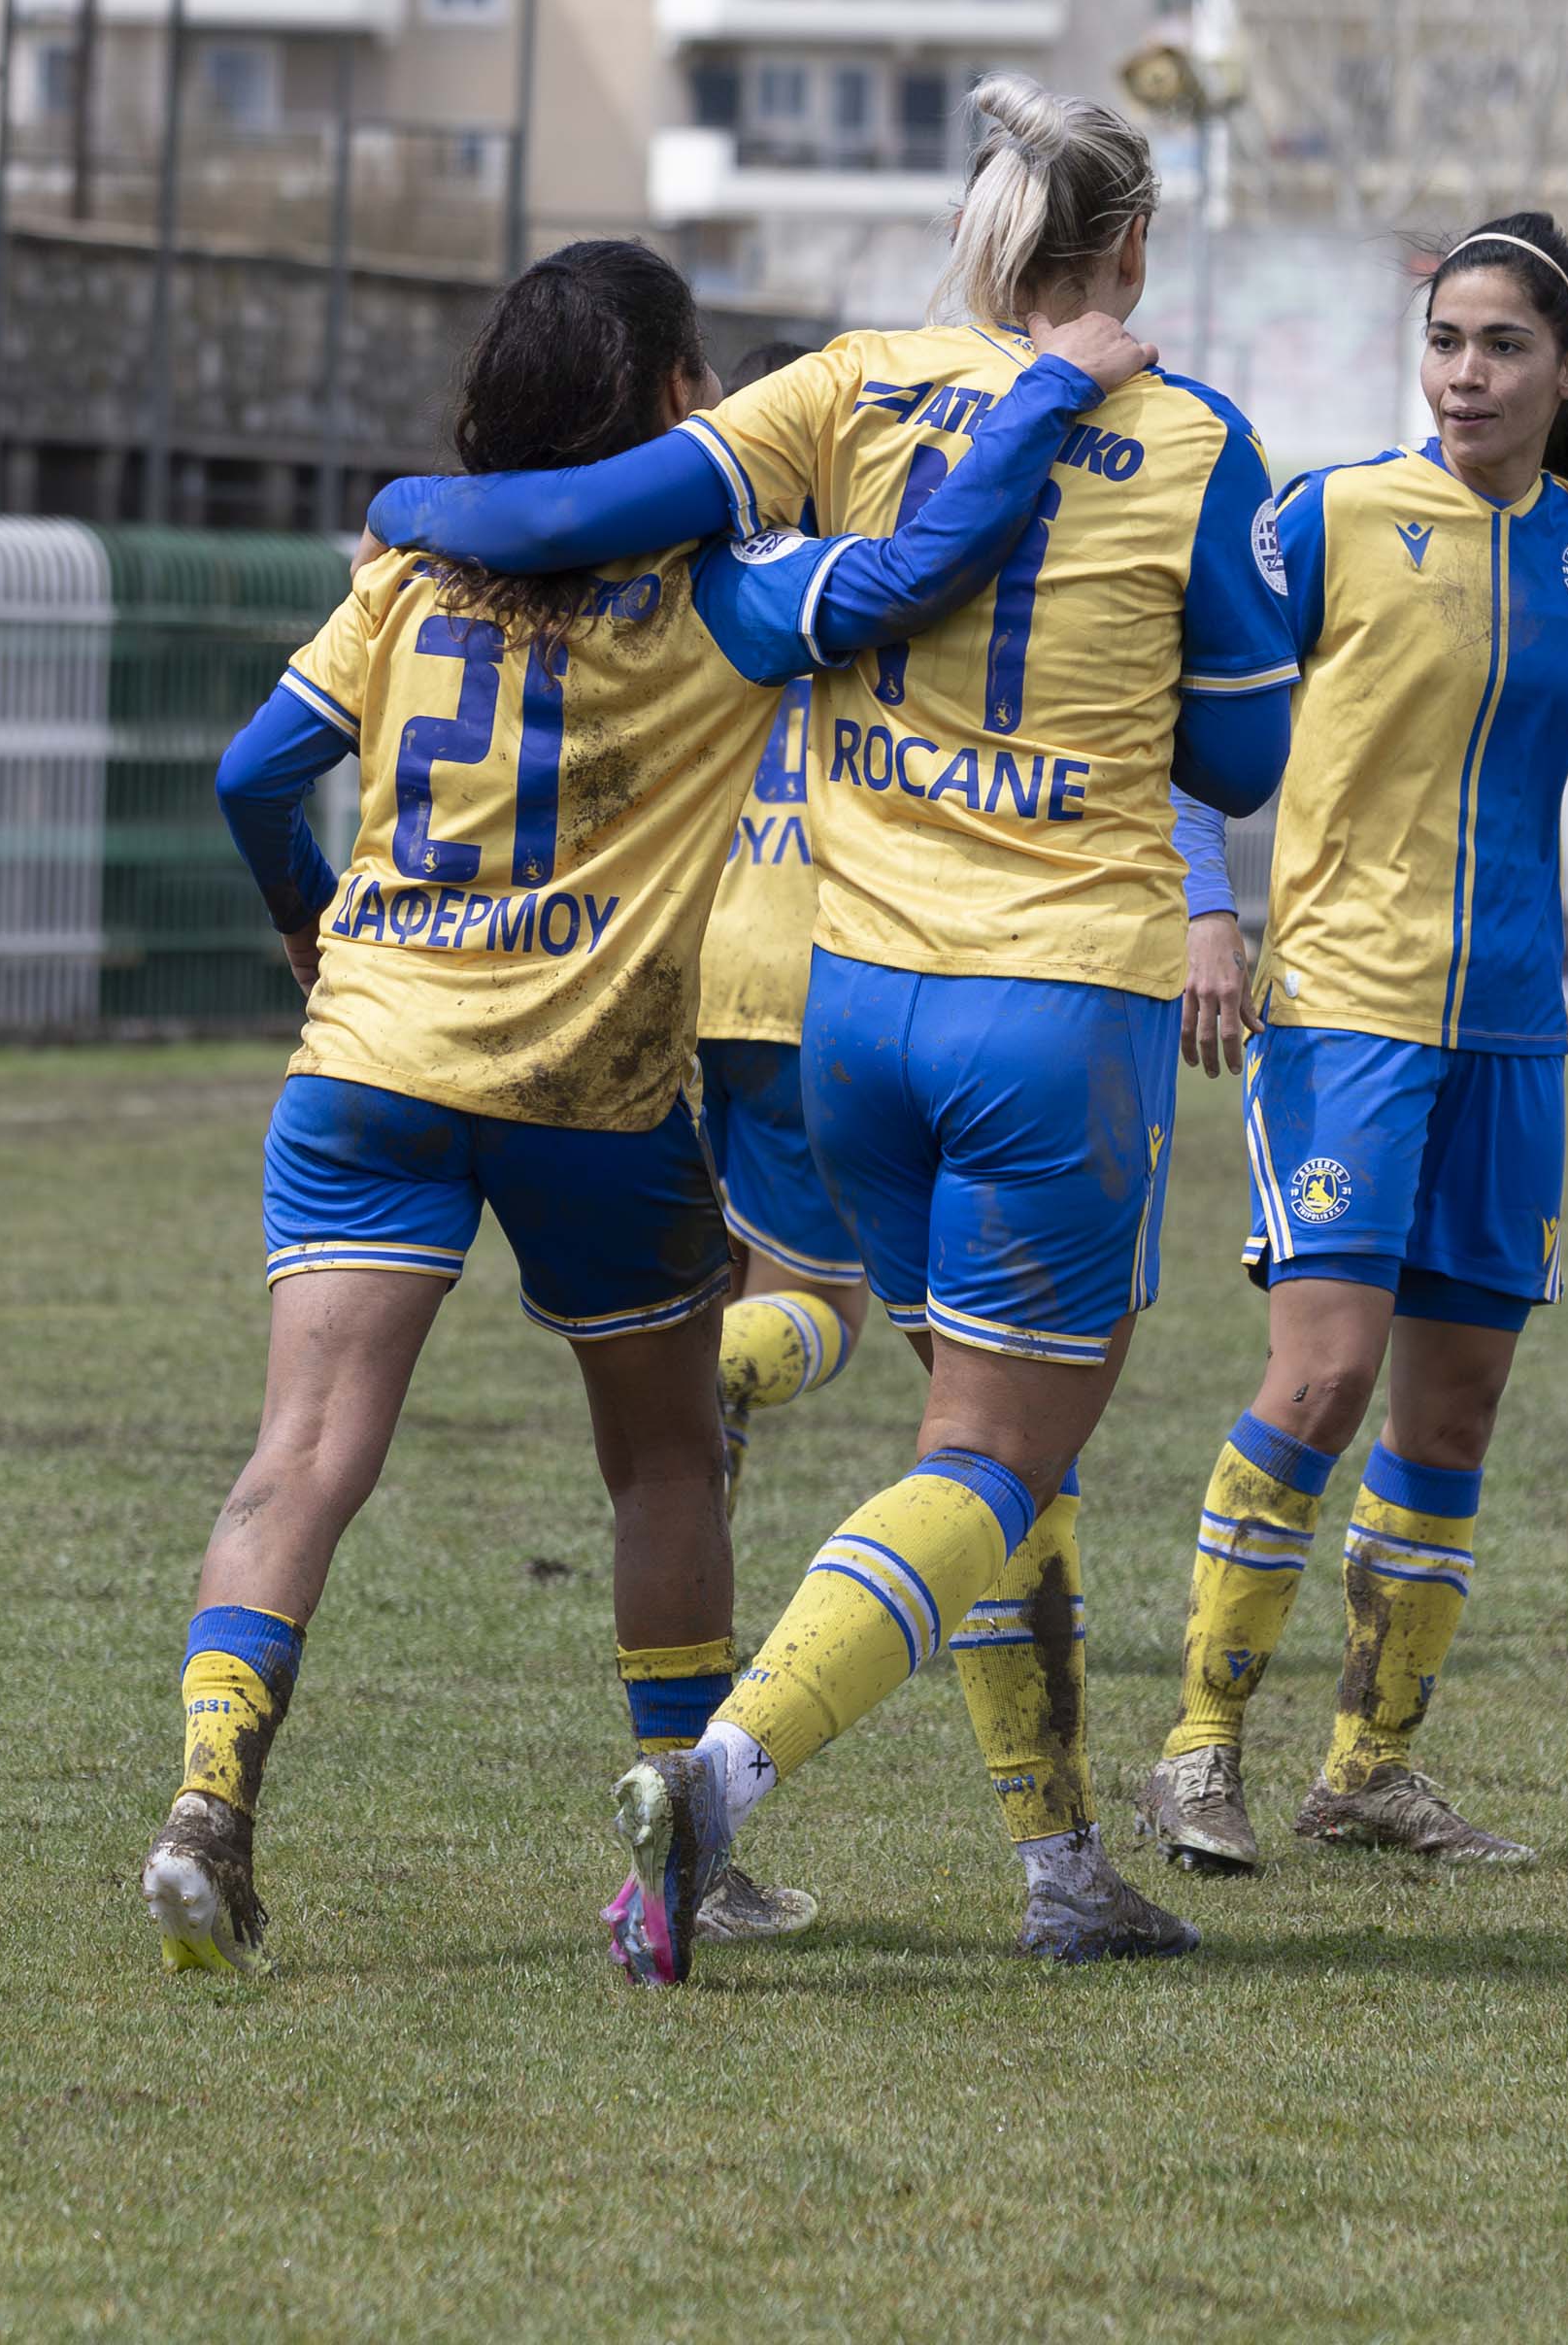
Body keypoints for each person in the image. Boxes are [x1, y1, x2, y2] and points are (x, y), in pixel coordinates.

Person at [367, 74, 1300, 1982]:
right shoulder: (1198, 437)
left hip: (856, 1006)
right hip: (1056, 1006)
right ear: (1130, 247)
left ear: (977, 227)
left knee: (978, 1448)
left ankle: (1058, 1867)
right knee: (994, 1460)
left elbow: (570, 514)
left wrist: (402, 507)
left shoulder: (844, 388)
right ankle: (713, 1782)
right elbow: (1239, 751)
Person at [141, 240, 1150, 1981]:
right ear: (682, 397)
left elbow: (250, 775)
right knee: (667, 1460)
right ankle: (689, 1851)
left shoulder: (408, 580)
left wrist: (308, 921)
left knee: (302, 1453)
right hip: (585, 1097)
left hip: (368, 1062)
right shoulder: (721, 594)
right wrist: (1055, 386)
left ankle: (206, 1800)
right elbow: (924, 564)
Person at [1134, 214, 1568, 1874]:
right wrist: (1205, 910)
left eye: (1504, 345)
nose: (1465, 373)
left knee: (1451, 1416)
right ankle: (1195, 1749)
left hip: (1514, 1035)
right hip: (1342, 1014)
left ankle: (1367, 1770)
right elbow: (1191, 725)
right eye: (1445, 340)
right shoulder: (1327, 516)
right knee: (1321, 1378)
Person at [695, 338, 873, 1517]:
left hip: (678, 981)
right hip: (806, 988)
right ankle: (691, 1380)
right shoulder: (871, 592)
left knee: (713, 1277)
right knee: (825, 1308)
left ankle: (693, 1526)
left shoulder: (693, 586)